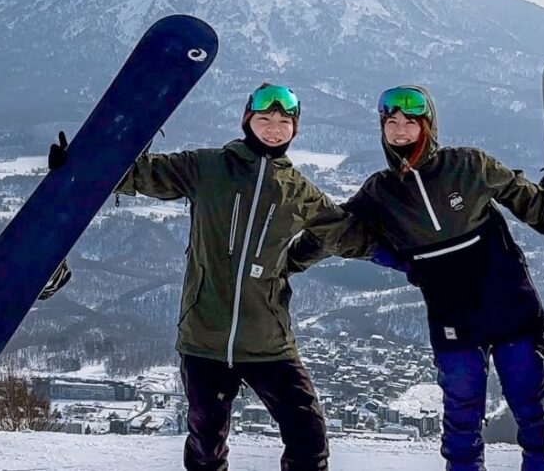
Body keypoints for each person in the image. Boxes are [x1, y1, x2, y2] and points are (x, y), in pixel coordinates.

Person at [288, 85, 544, 471]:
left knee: (532, 411)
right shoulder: (381, 192)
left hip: (511, 312)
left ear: (427, 127)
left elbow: (533, 206)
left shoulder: (468, 166)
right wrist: (287, 263)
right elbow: (331, 233)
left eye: (409, 122)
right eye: (391, 122)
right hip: (453, 325)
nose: (399, 130)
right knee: (461, 421)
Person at [45, 83, 336, 471]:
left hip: (268, 342)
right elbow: (140, 175)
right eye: (265, 118)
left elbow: (339, 232)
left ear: (294, 130)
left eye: (284, 121)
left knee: (308, 435)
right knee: (206, 445)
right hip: (204, 340)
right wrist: (80, 164)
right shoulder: (208, 167)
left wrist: (292, 260)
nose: (273, 127)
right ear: (248, 120)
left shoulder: (299, 191)